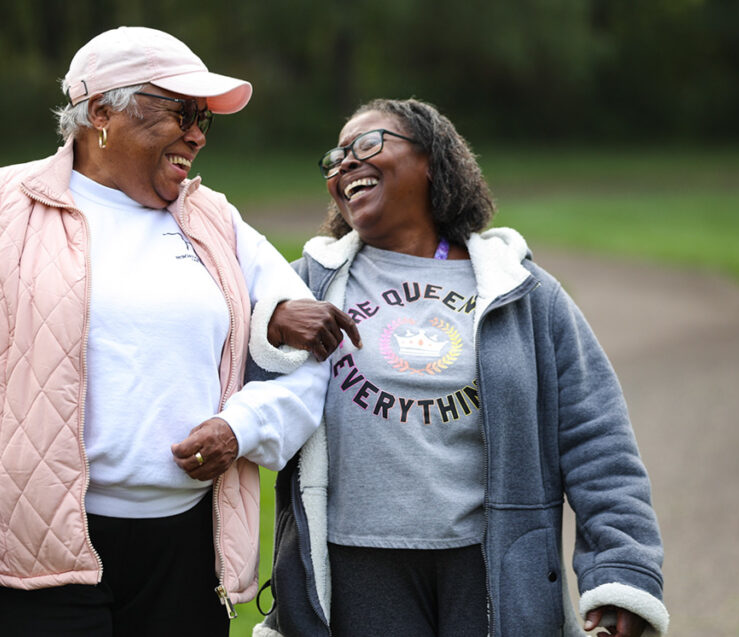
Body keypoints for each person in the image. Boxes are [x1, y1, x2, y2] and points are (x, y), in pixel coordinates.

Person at [0, 26, 338, 636]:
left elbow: (310, 353)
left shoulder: (215, 220)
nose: (198, 134)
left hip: (187, 552)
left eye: (205, 118)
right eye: (181, 112)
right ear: (99, 111)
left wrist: (244, 427)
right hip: (37, 559)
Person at [253, 99, 670, 637]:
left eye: (368, 145)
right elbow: (241, 400)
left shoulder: (523, 293)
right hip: (355, 568)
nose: (346, 164)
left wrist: (623, 570)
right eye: (336, 157)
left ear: (432, 159)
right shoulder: (300, 289)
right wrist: (271, 327)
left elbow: (596, 436)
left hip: (491, 568)